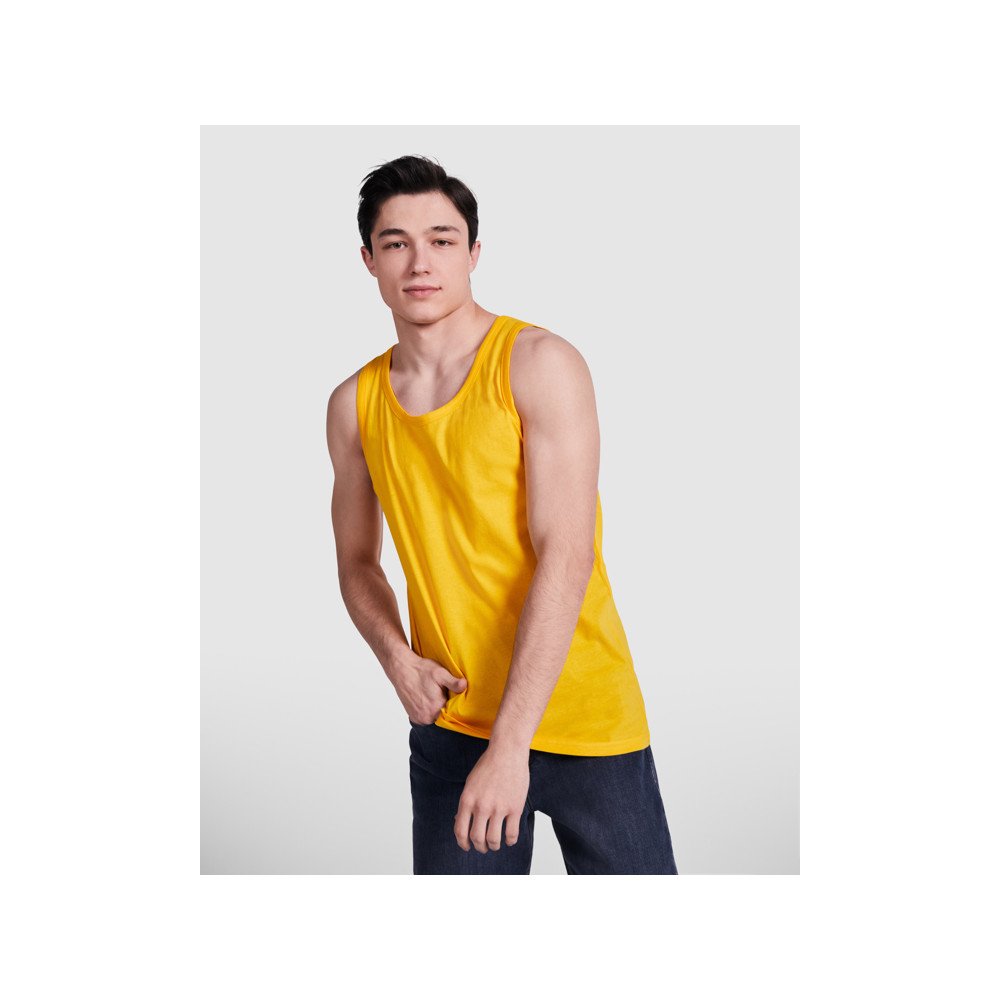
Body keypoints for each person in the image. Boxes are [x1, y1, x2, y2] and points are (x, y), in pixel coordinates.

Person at [325, 154, 678, 874]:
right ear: (369, 260)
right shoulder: (354, 405)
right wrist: (396, 659)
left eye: (442, 240)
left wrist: (511, 746)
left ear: (473, 253)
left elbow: (567, 554)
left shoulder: (539, 363)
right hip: (454, 722)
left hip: (584, 718)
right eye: (396, 243)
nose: (420, 262)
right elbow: (358, 563)